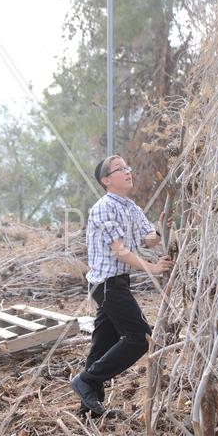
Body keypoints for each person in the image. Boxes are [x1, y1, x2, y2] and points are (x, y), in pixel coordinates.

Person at [71, 154, 174, 417]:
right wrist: (152, 268)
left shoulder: (131, 208)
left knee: (102, 344)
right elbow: (119, 251)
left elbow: (148, 238)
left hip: (118, 283)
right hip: (106, 284)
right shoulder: (104, 208)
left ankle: (89, 409)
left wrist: (160, 229)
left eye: (128, 167)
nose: (128, 171)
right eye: (120, 169)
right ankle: (86, 380)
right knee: (141, 338)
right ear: (106, 180)